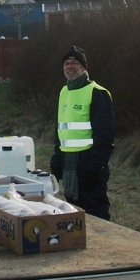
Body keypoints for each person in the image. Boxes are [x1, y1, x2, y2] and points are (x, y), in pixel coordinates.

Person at [49, 46, 115, 220]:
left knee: (95, 212)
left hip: (89, 164)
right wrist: (56, 161)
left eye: (75, 63)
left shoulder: (97, 93)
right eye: (66, 63)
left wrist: (95, 166)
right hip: (69, 165)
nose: (70, 67)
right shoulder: (64, 92)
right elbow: (61, 131)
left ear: (84, 67)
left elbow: (104, 135)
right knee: (74, 213)